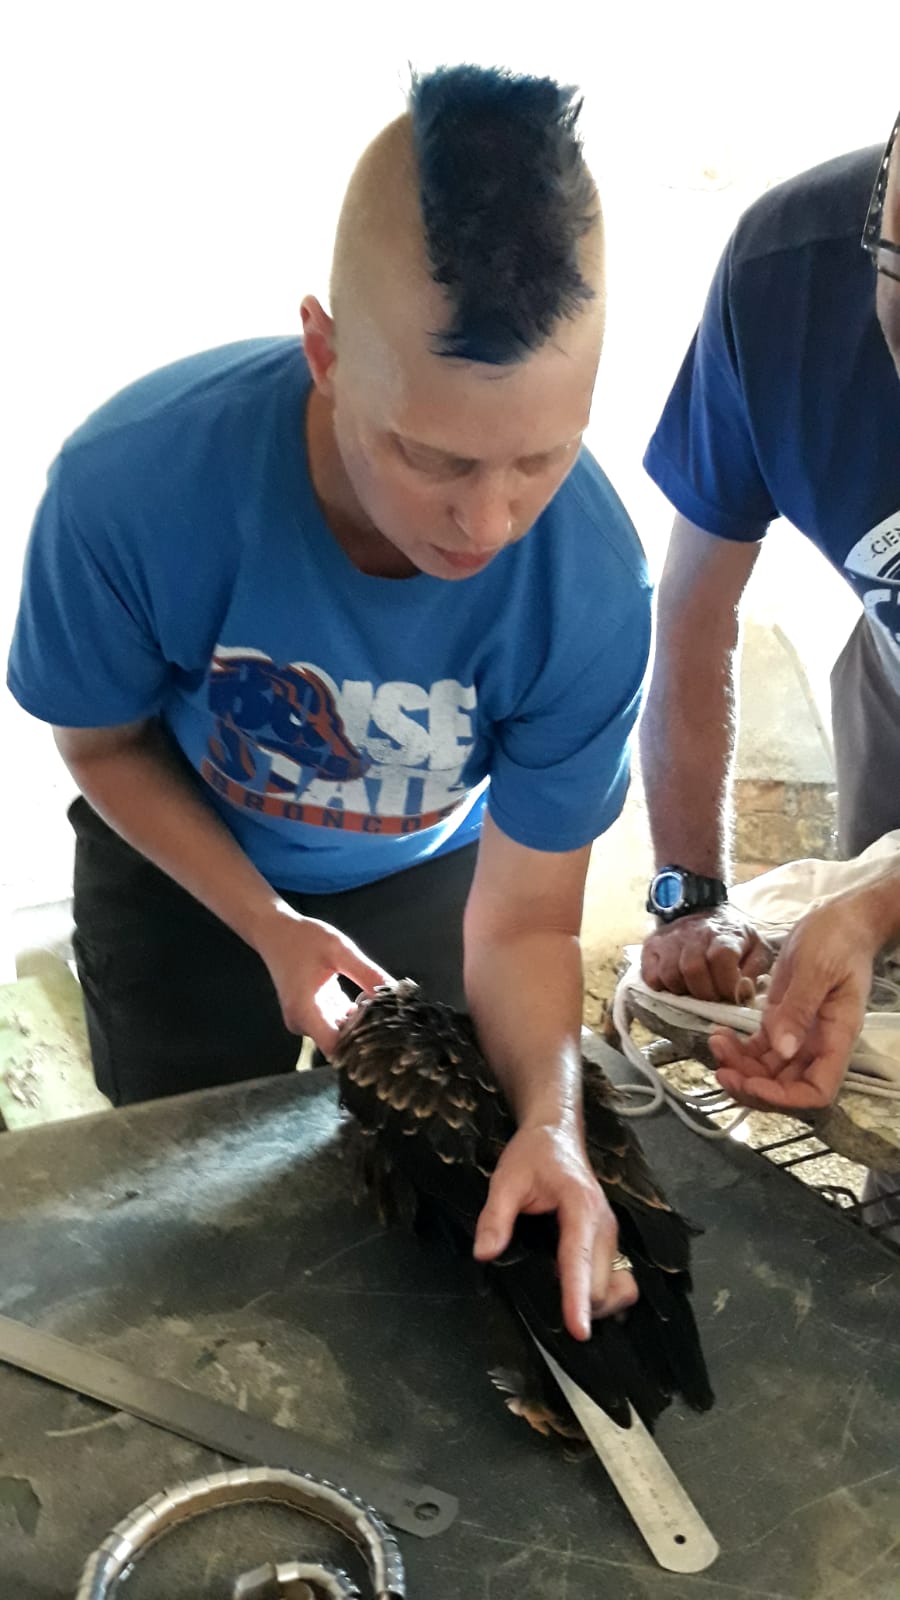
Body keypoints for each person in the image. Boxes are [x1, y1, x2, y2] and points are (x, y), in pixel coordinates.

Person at [8, 66, 652, 1338]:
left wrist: (556, 1124)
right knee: (180, 1211)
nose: (488, 522)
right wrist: (266, 922)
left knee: (456, 1214)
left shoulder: (588, 582)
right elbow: (101, 740)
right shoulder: (131, 484)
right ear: (325, 349)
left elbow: (523, 926)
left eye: (541, 455)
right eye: (435, 457)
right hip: (189, 862)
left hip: (438, 875)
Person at [639, 110, 900, 1127]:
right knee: (866, 1038)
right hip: (892, 675)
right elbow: (697, 611)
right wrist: (690, 895)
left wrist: (877, 898)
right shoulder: (780, 273)